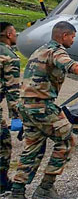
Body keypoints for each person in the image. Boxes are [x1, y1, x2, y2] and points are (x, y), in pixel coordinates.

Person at [11, 21, 78, 199]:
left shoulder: (40, 50)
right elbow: (70, 65)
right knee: (66, 140)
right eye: (73, 37)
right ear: (64, 35)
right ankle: (45, 187)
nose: (73, 41)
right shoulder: (57, 51)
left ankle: (17, 191)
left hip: (27, 106)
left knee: (33, 147)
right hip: (42, 106)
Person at [0, 23, 20, 194]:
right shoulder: (8, 56)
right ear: (8, 34)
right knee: (3, 144)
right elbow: (12, 89)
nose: (16, 35)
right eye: (14, 33)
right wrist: (16, 116)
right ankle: (1, 184)